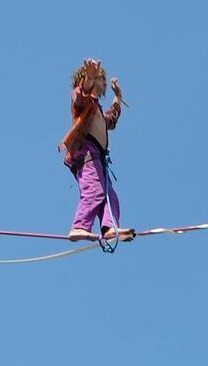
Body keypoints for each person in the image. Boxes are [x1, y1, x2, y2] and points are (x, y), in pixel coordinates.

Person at [59, 59, 134, 245]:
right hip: (86, 153)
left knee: (110, 195)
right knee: (94, 190)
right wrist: (88, 79)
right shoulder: (83, 104)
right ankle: (79, 226)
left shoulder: (97, 110)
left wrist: (117, 97)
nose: (105, 83)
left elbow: (111, 120)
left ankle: (109, 228)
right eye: (101, 79)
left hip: (98, 157)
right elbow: (79, 96)